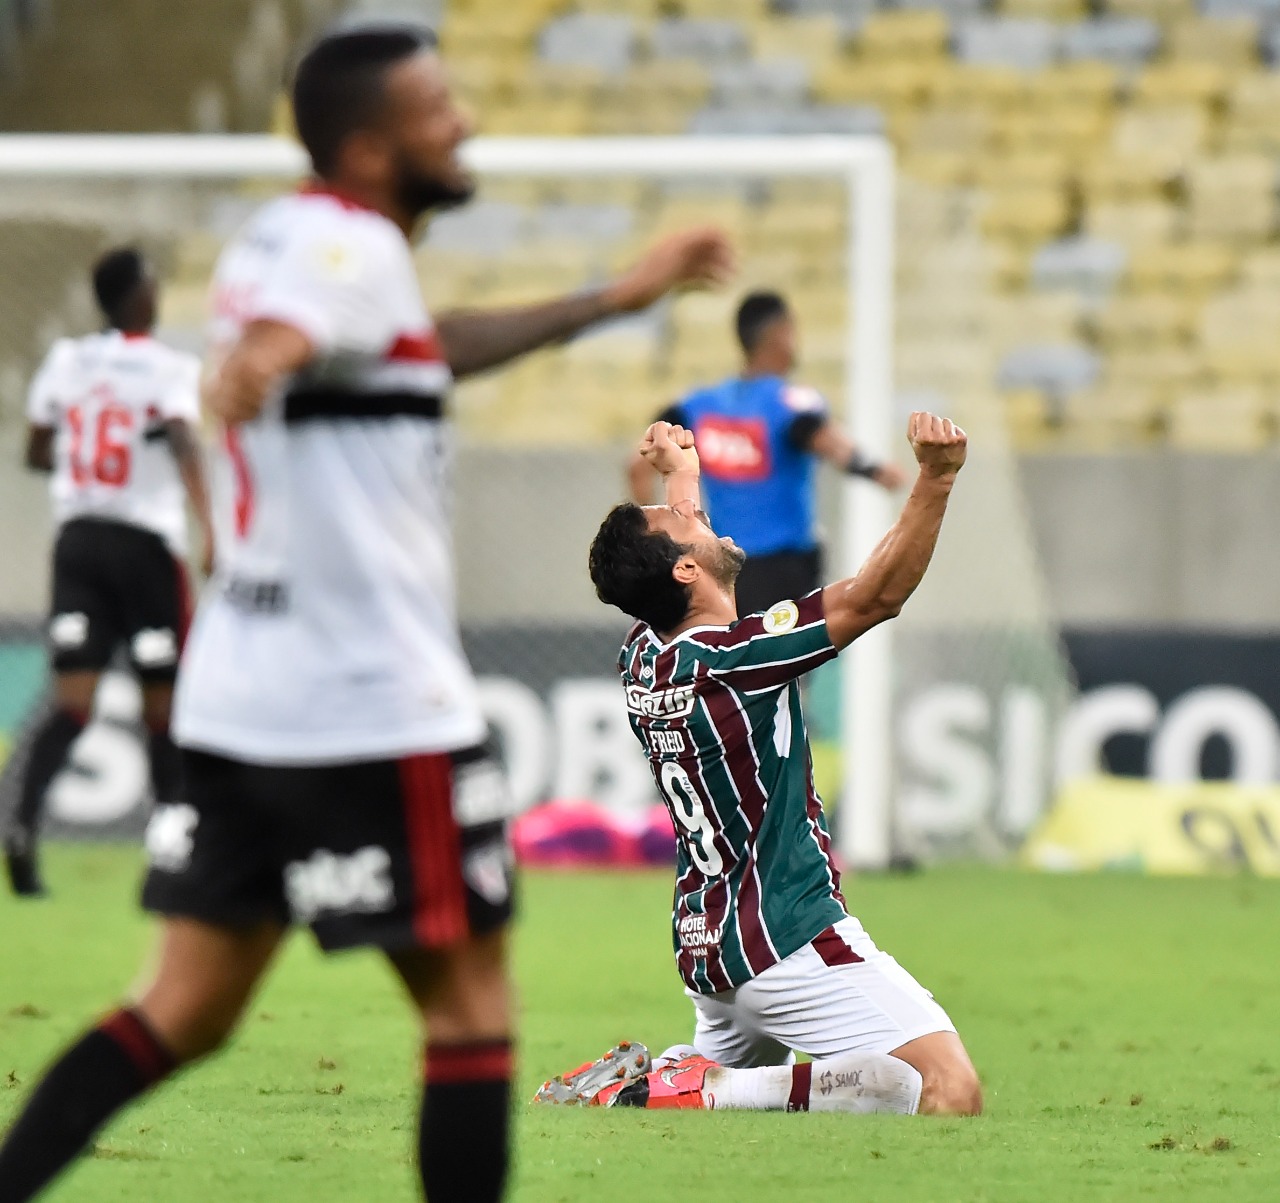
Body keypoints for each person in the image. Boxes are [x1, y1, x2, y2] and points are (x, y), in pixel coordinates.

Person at [0, 22, 731, 1203]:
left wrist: (617, 294)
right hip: (369, 707)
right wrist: (259, 363)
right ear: (372, 143)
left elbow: (409, 348)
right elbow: (291, 336)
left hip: (241, 700)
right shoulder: (339, 249)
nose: (465, 125)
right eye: (441, 109)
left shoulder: (306, 241)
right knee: (470, 1007)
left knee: (182, 1008)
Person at [584, 417, 982, 1116]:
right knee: (944, 1090)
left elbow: (689, 567)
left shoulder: (644, 652)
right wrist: (936, 479)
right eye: (681, 518)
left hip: (708, 942)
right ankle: (707, 1088)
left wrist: (682, 471)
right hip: (785, 936)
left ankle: (675, 1073)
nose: (694, 512)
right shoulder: (735, 660)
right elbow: (874, 596)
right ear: (685, 568)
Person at [4, 247, 214, 898]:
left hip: (79, 543)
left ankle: (18, 821)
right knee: (165, 704)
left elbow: (36, 451)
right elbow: (183, 437)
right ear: (139, 296)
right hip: (145, 545)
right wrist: (211, 524)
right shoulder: (168, 368)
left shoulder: (67, 362)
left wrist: (85, 459)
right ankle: (171, 846)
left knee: (72, 701)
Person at [629, 290, 906, 619]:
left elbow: (636, 468)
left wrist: (657, 547)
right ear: (781, 334)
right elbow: (832, 444)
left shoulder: (699, 406)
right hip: (786, 572)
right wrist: (876, 470)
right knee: (788, 665)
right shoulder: (788, 403)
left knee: (729, 662)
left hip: (723, 568)